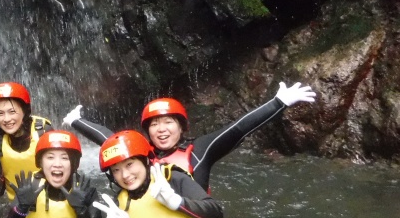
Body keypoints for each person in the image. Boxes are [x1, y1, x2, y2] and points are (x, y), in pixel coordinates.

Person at [64, 81, 316, 191]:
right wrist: (76, 121)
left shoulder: (200, 150)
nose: (161, 129)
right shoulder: (141, 152)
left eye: (168, 122)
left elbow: (238, 129)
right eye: (154, 125)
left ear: (181, 127)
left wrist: (278, 103)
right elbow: (108, 139)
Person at [92, 130, 224, 218]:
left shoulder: (171, 178)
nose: (125, 175)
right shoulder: (119, 204)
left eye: (129, 164)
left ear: (145, 161)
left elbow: (217, 214)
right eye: (116, 170)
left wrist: (178, 203)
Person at [4, 130, 99, 218]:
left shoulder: (86, 191)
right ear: (40, 162)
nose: (57, 164)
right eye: (50, 157)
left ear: (74, 163)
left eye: (64, 158)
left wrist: (81, 211)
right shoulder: (30, 187)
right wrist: (21, 209)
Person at [0, 82, 53, 199]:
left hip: (47, 201)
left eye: (12, 112)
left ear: (25, 111)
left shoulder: (44, 132)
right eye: (0, 113)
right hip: (16, 206)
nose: (6, 119)